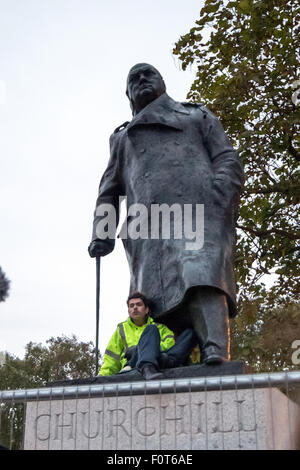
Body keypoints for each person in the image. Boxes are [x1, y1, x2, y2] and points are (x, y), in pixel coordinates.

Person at [89, 63, 244, 365]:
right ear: (128, 94)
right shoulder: (122, 139)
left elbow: (227, 158)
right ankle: (167, 359)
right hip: (146, 230)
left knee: (201, 275)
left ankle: (214, 351)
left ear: (163, 82)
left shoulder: (196, 115)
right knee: (156, 300)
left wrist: (218, 199)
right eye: (134, 78)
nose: (143, 79)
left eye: (149, 74)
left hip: (198, 215)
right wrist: (101, 233)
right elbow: (108, 189)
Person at [99, 292, 196, 380]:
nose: (135, 308)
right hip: (134, 363)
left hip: (162, 359)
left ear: (146, 310)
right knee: (151, 329)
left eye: (139, 305)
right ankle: (147, 366)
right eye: (131, 306)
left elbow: (170, 344)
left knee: (189, 334)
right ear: (128, 311)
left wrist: (145, 348)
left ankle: (151, 362)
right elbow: (111, 358)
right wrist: (101, 376)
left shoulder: (159, 327)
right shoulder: (121, 329)